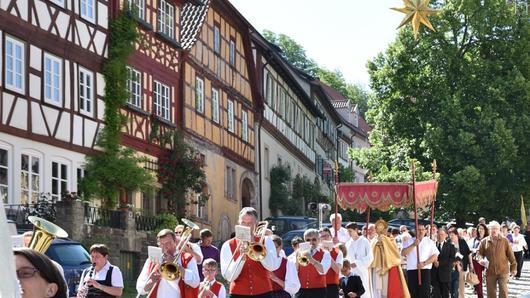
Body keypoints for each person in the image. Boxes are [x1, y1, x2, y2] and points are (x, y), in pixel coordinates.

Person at [220, 207, 279, 297]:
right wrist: (241, 257)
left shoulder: (266, 241)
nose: (246, 227)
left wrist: (258, 248)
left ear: (256, 224)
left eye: (250, 223)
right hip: (238, 294)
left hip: (264, 293)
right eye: (243, 223)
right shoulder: (227, 245)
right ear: (239, 223)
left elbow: (272, 267)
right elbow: (229, 277)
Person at [136, 229, 200, 297]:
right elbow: (140, 289)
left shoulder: (187, 258)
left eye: (168, 243)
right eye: (161, 244)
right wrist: (152, 282)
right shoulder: (152, 260)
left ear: (175, 242)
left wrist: (176, 265)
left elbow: (195, 282)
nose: (165, 247)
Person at [368, 219, 409, 298]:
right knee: (376, 290)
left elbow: (394, 253)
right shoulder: (374, 240)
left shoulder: (390, 240)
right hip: (376, 266)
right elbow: (370, 252)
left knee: (385, 290)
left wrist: (384, 243)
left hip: (387, 267)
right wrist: (377, 243)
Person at [477, 221, 517, 298]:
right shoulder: (484, 241)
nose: (494, 230)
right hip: (490, 271)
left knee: (503, 291)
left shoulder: (504, 240)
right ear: (489, 230)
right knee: (491, 293)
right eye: (492, 228)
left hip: (503, 270)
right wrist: (480, 259)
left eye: (496, 228)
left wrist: (513, 268)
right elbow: (478, 253)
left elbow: (511, 255)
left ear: (499, 230)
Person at [401, 223, 439, 298]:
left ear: (425, 231)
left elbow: (435, 255)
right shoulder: (409, 241)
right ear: (415, 231)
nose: (421, 231)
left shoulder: (429, 242)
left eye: (422, 229)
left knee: (424, 293)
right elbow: (403, 253)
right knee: (413, 292)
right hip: (412, 270)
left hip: (425, 270)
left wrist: (424, 263)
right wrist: (413, 245)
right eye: (419, 230)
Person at [295, 228, 331, 297]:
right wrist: (298, 257)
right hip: (301, 289)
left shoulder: (325, 253)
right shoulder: (299, 252)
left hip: (318, 290)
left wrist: (310, 258)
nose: (311, 242)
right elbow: (295, 270)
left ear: (319, 240)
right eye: (308, 240)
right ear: (304, 241)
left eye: (314, 239)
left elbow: (323, 270)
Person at [345, 222, 373, 298]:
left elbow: (370, 257)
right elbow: (346, 258)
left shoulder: (365, 241)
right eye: (348, 231)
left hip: (361, 271)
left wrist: (357, 263)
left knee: (363, 291)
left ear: (356, 230)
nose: (349, 233)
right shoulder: (348, 244)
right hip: (351, 272)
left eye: (350, 231)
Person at [430, 228, 455, 298]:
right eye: (438, 234)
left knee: (445, 294)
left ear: (446, 235)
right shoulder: (432, 245)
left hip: (445, 275)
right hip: (434, 274)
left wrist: (440, 263)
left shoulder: (450, 246)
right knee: (435, 295)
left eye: (441, 234)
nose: (439, 236)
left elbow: (451, 260)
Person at [448, 228, 473, 298]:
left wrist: (471, 264)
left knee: (461, 285)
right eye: (450, 235)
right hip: (452, 267)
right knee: (453, 287)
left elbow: (468, 253)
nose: (451, 237)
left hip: (462, 266)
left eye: (452, 235)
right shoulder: (448, 242)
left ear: (456, 235)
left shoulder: (462, 241)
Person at [320, 227, 343, 298]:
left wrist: (327, 254)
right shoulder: (316, 251)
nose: (325, 238)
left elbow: (337, 270)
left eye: (327, 235)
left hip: (332, 285)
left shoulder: (338, 252)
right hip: (318, 285)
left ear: (331, 237)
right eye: (322, 236)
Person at [470, 223, 488, 298]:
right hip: (476, 261)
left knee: (489, 280)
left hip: (487, 261)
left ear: (485, 230)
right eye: (479, 228)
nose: (480, 230)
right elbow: (471, 251)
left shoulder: (488, 238)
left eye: (482, 228)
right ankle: (480, 296)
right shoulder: (475, 239)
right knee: (478, 280)